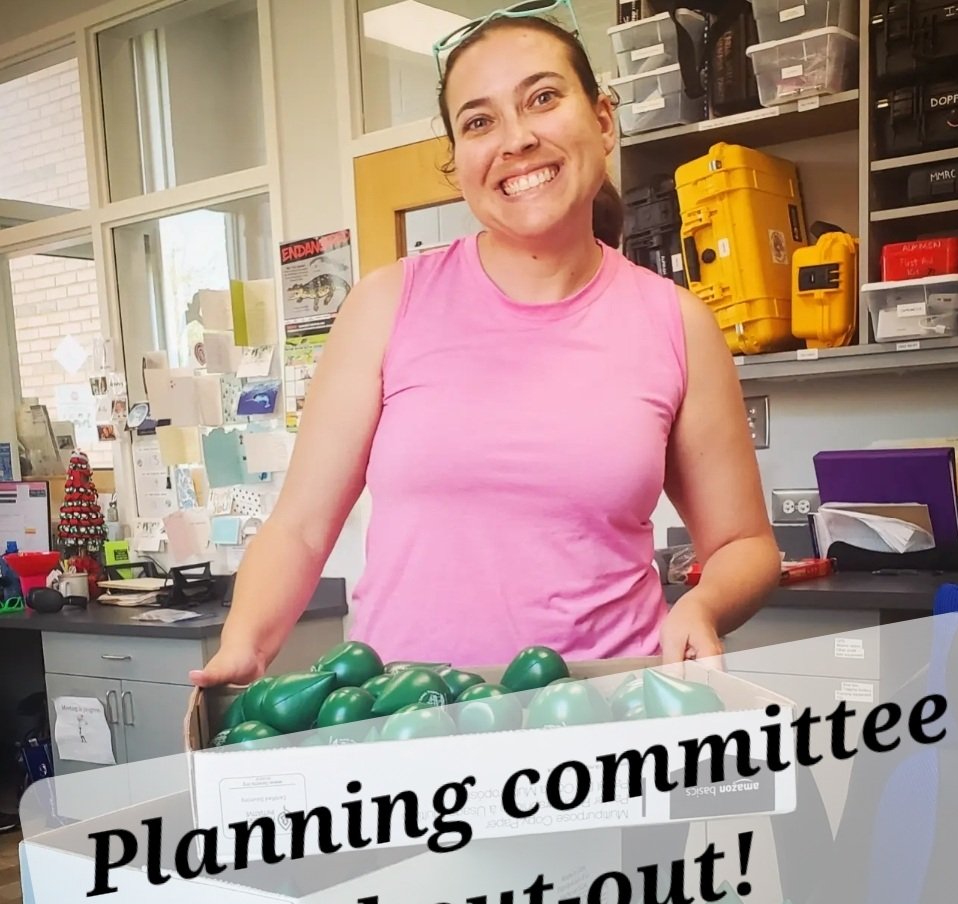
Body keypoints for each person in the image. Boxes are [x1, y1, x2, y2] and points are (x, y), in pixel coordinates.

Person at [192, 2, 779, 687]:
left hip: (600, 723)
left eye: (543, 98)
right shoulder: (387, 305)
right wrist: (244, 645)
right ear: (458, 162)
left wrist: (702, 605)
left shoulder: (677, 323)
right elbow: (298, 528)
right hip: (409, 724)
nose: (516, 139)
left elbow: (745, 544)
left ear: (603, 119)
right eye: (479, 121)